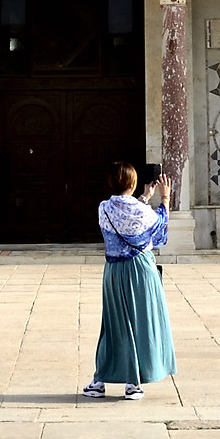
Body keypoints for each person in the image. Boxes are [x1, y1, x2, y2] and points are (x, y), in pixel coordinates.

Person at [82, 162, 177, 402]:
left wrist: (144, 198)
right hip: (140, 270)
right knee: (140, 323)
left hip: (113, 270)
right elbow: (160, 236)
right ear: (133, 183)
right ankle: (133, 383)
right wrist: (164, 199)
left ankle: (99, 380)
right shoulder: (142, 211)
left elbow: (125, 215)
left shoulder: (103, 208)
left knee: (113, 325)